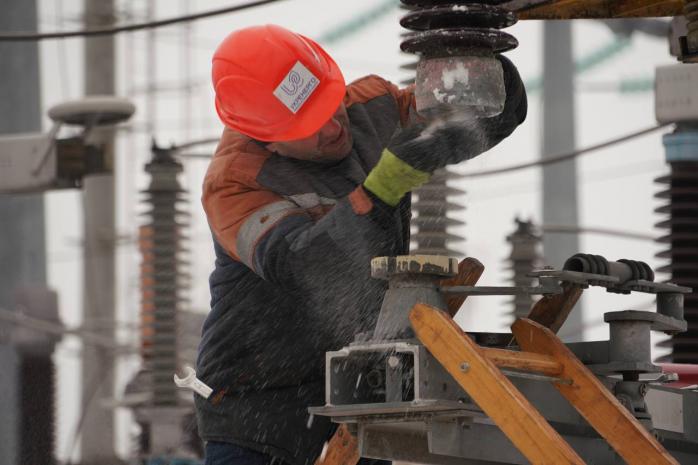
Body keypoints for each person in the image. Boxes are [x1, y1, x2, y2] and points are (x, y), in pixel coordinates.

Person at [195, 24, 527, 465]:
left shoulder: (372, 107)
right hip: (257, 404)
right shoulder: (235, 185)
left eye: (332, 105)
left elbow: (486, 111)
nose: (334, 126)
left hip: (361, 388)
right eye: (311, 125)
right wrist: (380, 189)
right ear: (265, 138)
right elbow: (306, 266)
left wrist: (477, 61)